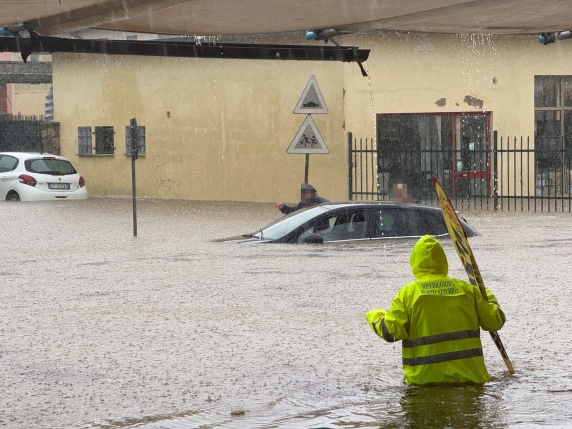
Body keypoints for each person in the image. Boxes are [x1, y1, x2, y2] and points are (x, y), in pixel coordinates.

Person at [365, 235, 506, 385]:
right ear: (443, 261)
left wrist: (373, 315)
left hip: (423, 384)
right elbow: (495, 321)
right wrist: (487, 295)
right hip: (469, 381)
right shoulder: (467, 291)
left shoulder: (407, 294)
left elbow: (390, 332)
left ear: (414, 262)